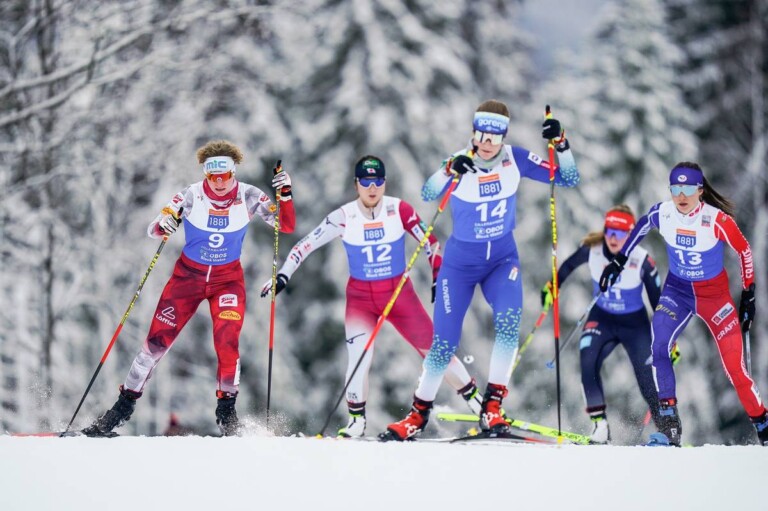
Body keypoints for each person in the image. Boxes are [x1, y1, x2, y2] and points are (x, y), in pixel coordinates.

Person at [383, 99, 580, 440]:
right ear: (473, 131)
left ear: (504, 135)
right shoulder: (460, 162)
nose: (487, 140)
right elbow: (428, 192)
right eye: (482, 132)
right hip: (459, 266)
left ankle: (493, 406)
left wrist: (560, 143)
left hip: (502, 260)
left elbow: (569, 178)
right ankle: (417, 415)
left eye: (496, 134)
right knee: (443, 343)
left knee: (508, 324)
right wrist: (447, 171)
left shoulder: (515, 159)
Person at [82, 140, 295, 437]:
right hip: (187, 279)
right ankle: (121, 408)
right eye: (212, 176)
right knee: (155, 344)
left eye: (224, 176)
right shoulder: (191, 195)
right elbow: (155, 226)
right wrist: (166, 223)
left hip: (227, 281)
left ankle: (227, 414)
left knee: (227, 342)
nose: (219, 183)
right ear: (205, 175)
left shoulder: (249, 195)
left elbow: (284, 226)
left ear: (234, 172)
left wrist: (285, 195)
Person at [260, 155, 482, 438]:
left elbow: (431, 244)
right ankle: (356, 422)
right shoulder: (343, 216)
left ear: (384, 183)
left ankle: (477, 403)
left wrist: (438, 275)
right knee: (358, 361)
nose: (372, 187)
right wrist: (283, 275)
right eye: (366, 182)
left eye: (378, 181)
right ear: (356, 185)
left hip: (400, 296)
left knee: (435, 350)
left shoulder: (399, 210)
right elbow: (305, 245)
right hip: (361, 300)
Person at [600, 162, 767, 446]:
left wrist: (748, 293)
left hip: (715, 299)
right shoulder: (664, 213)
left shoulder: (716, 220)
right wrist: (619, 260)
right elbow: (640, 227)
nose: (681, 195)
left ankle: (763, 424)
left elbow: (744, 250)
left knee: (735, 370)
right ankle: (669, 425)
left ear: (700, 191)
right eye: (675, 188)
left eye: (688, 188)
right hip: (677, 292)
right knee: (659, 345)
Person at [541, 205, 669, 444]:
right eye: (609, 231)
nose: (612, 238)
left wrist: (667, 339)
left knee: (646, 378)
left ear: (631, 235)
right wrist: (551, 287)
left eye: (620, 234)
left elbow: (658, 303)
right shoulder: (593, 250)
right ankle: (600, 426)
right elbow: (566, 267)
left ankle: (666, 429)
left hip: (635, 325)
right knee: (587, 360)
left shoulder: (642, 260)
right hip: (602, 318)